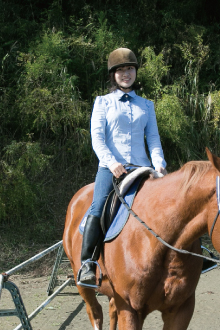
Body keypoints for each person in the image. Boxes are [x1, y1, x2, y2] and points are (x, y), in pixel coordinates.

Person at [78, 48, 167, 286]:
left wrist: (159, 164)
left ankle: (191, 255)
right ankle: (87, 263)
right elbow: (97, 138)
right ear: (113, 75)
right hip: (111, 168)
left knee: (170, 204)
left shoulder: (147, 105)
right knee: (97, 208)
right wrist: (111, 162)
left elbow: (154, 139)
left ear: (135, 71)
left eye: (129, 69)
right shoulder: (103, 102)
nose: (125, 74)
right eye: (120, 70)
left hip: (143, 167)